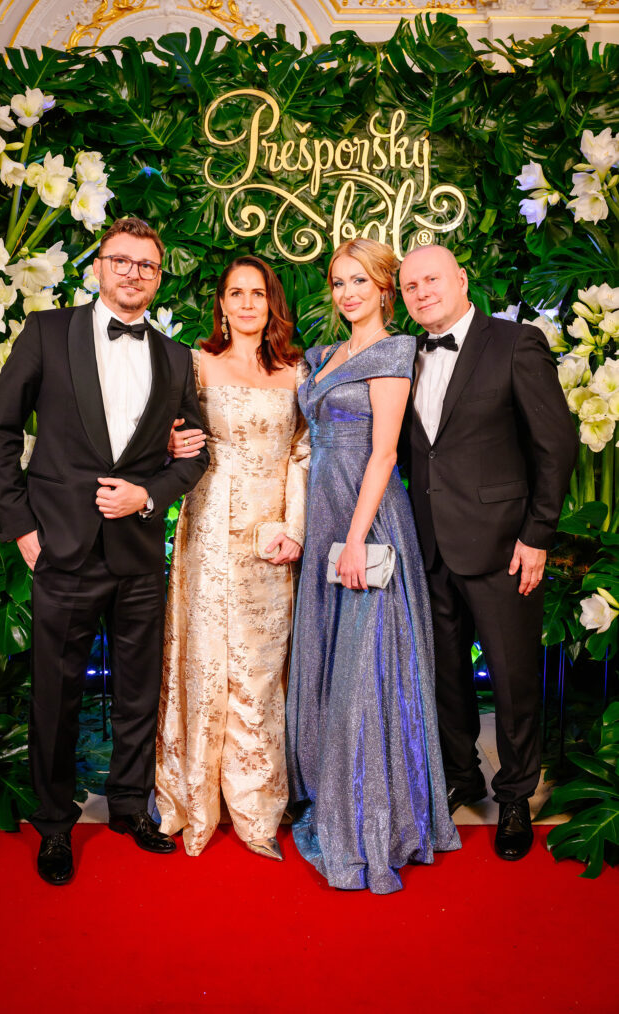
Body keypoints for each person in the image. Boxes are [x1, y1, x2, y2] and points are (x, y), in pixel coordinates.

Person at [0, 218, 209, 885]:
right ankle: (55, 825)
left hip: (137, 552)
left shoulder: (176, 358)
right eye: (122, 260)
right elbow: (0, 432)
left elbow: (194, 453)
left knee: (139, 690)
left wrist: (148, 495)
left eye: (146, 265)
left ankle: (129, 807)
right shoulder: (47, 333)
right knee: (56, 695)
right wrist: (21, 526)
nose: (133, 273)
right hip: (61, 547)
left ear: (158, 277)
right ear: (99, 266)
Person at [285, 238, 460, 894]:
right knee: (332, 661)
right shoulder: (322, 356)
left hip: (368, 518)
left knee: (367, 668)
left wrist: (356, 538)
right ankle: (331, 793)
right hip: (324, 514)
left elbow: (384, 453)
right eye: (338, 282)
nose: (348, 293)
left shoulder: (393, 353)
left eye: (360, 280)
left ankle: (370, 821)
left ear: (386, 289)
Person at [398, 243, 578, 861]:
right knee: (445, 674)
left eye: (431, 280)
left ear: (461, 280)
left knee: (512, 677)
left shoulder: (515, 343)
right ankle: (462, 775)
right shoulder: (403, 354)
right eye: (410, 286)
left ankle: (515, 795)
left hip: (505, 546)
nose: (422, 292)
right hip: (428, 543)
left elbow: (556, 445)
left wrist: (537, 536)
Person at [155, 255, 310, 861]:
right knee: (203, 659)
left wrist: (293, 528)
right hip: (208, 530)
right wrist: (170, 442)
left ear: (272, 304)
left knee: (261, 669)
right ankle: (193, 797)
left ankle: (256, 808)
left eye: (258, 294)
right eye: (235, 293)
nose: (247, 303)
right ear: (220, 303)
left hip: (270, 537)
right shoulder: (194, 365)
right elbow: (164, 433)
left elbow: (302, 452)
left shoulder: (296, 370)